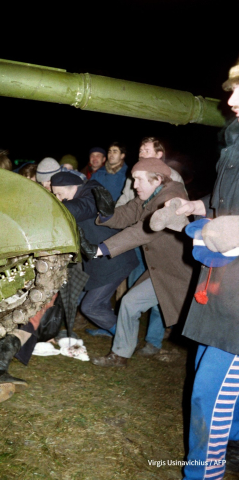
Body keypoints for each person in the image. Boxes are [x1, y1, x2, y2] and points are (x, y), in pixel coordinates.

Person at [163, 59, 239, 480]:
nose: (230, 100)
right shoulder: (235, 142)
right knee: (208, 383)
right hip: (223, 289)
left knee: (208, 396)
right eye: (230, 89)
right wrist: (200, 207)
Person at [86, 157, 194, 366]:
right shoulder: (151, 195)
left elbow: (142, 230)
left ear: (157, 179)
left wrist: (102, 249)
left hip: (179, 273)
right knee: (129, 303)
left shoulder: (172, 196)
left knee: (197, 325)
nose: (134, 186)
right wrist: (107, 215)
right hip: (160, 270)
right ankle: (120, 355)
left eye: (138, 180)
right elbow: (129, 212)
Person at [115, 136, 186, 355]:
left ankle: (153, 341)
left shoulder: (169, 178)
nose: (142, 153)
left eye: (147, 150)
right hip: (138, 240)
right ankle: (126, 344)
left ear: (159, 154)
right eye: (140, 150)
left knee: (161, 292)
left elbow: (172, 210)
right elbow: (127, 201)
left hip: (159, 244)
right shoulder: (136, 174)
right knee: (136, 289)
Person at [51, 171, 138, 337]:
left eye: (59, 194)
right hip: (102, 262)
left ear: (73, 188)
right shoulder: (77, 195)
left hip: (114, 261)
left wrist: (53, 208)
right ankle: (110, 329)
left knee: (91, 307)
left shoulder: (92, 191)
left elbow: (81, 208)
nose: (57, 198)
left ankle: (122, 336)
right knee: (101, 302)